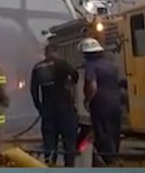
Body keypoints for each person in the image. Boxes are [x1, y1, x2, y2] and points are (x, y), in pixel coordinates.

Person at [31, 43, 79, 166]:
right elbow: (75, 74)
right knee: (69, 142)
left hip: (47, 110)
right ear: (55, 51)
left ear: (46, 53)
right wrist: (70, 83)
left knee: (49, 143)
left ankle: (50, 165)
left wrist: (39, 107)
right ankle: (69, 167)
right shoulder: (61, 63)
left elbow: (33, 90)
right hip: (65, 109)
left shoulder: (37, 67)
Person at [80, 38, 121, 166]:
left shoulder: (91, 66)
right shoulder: (111, 64)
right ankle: (115, 156)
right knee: (114, 130)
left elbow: (92, 86)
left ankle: (110, 161)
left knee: (102, 132)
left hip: (100, 103)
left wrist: (87, 100)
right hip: (115, 101)